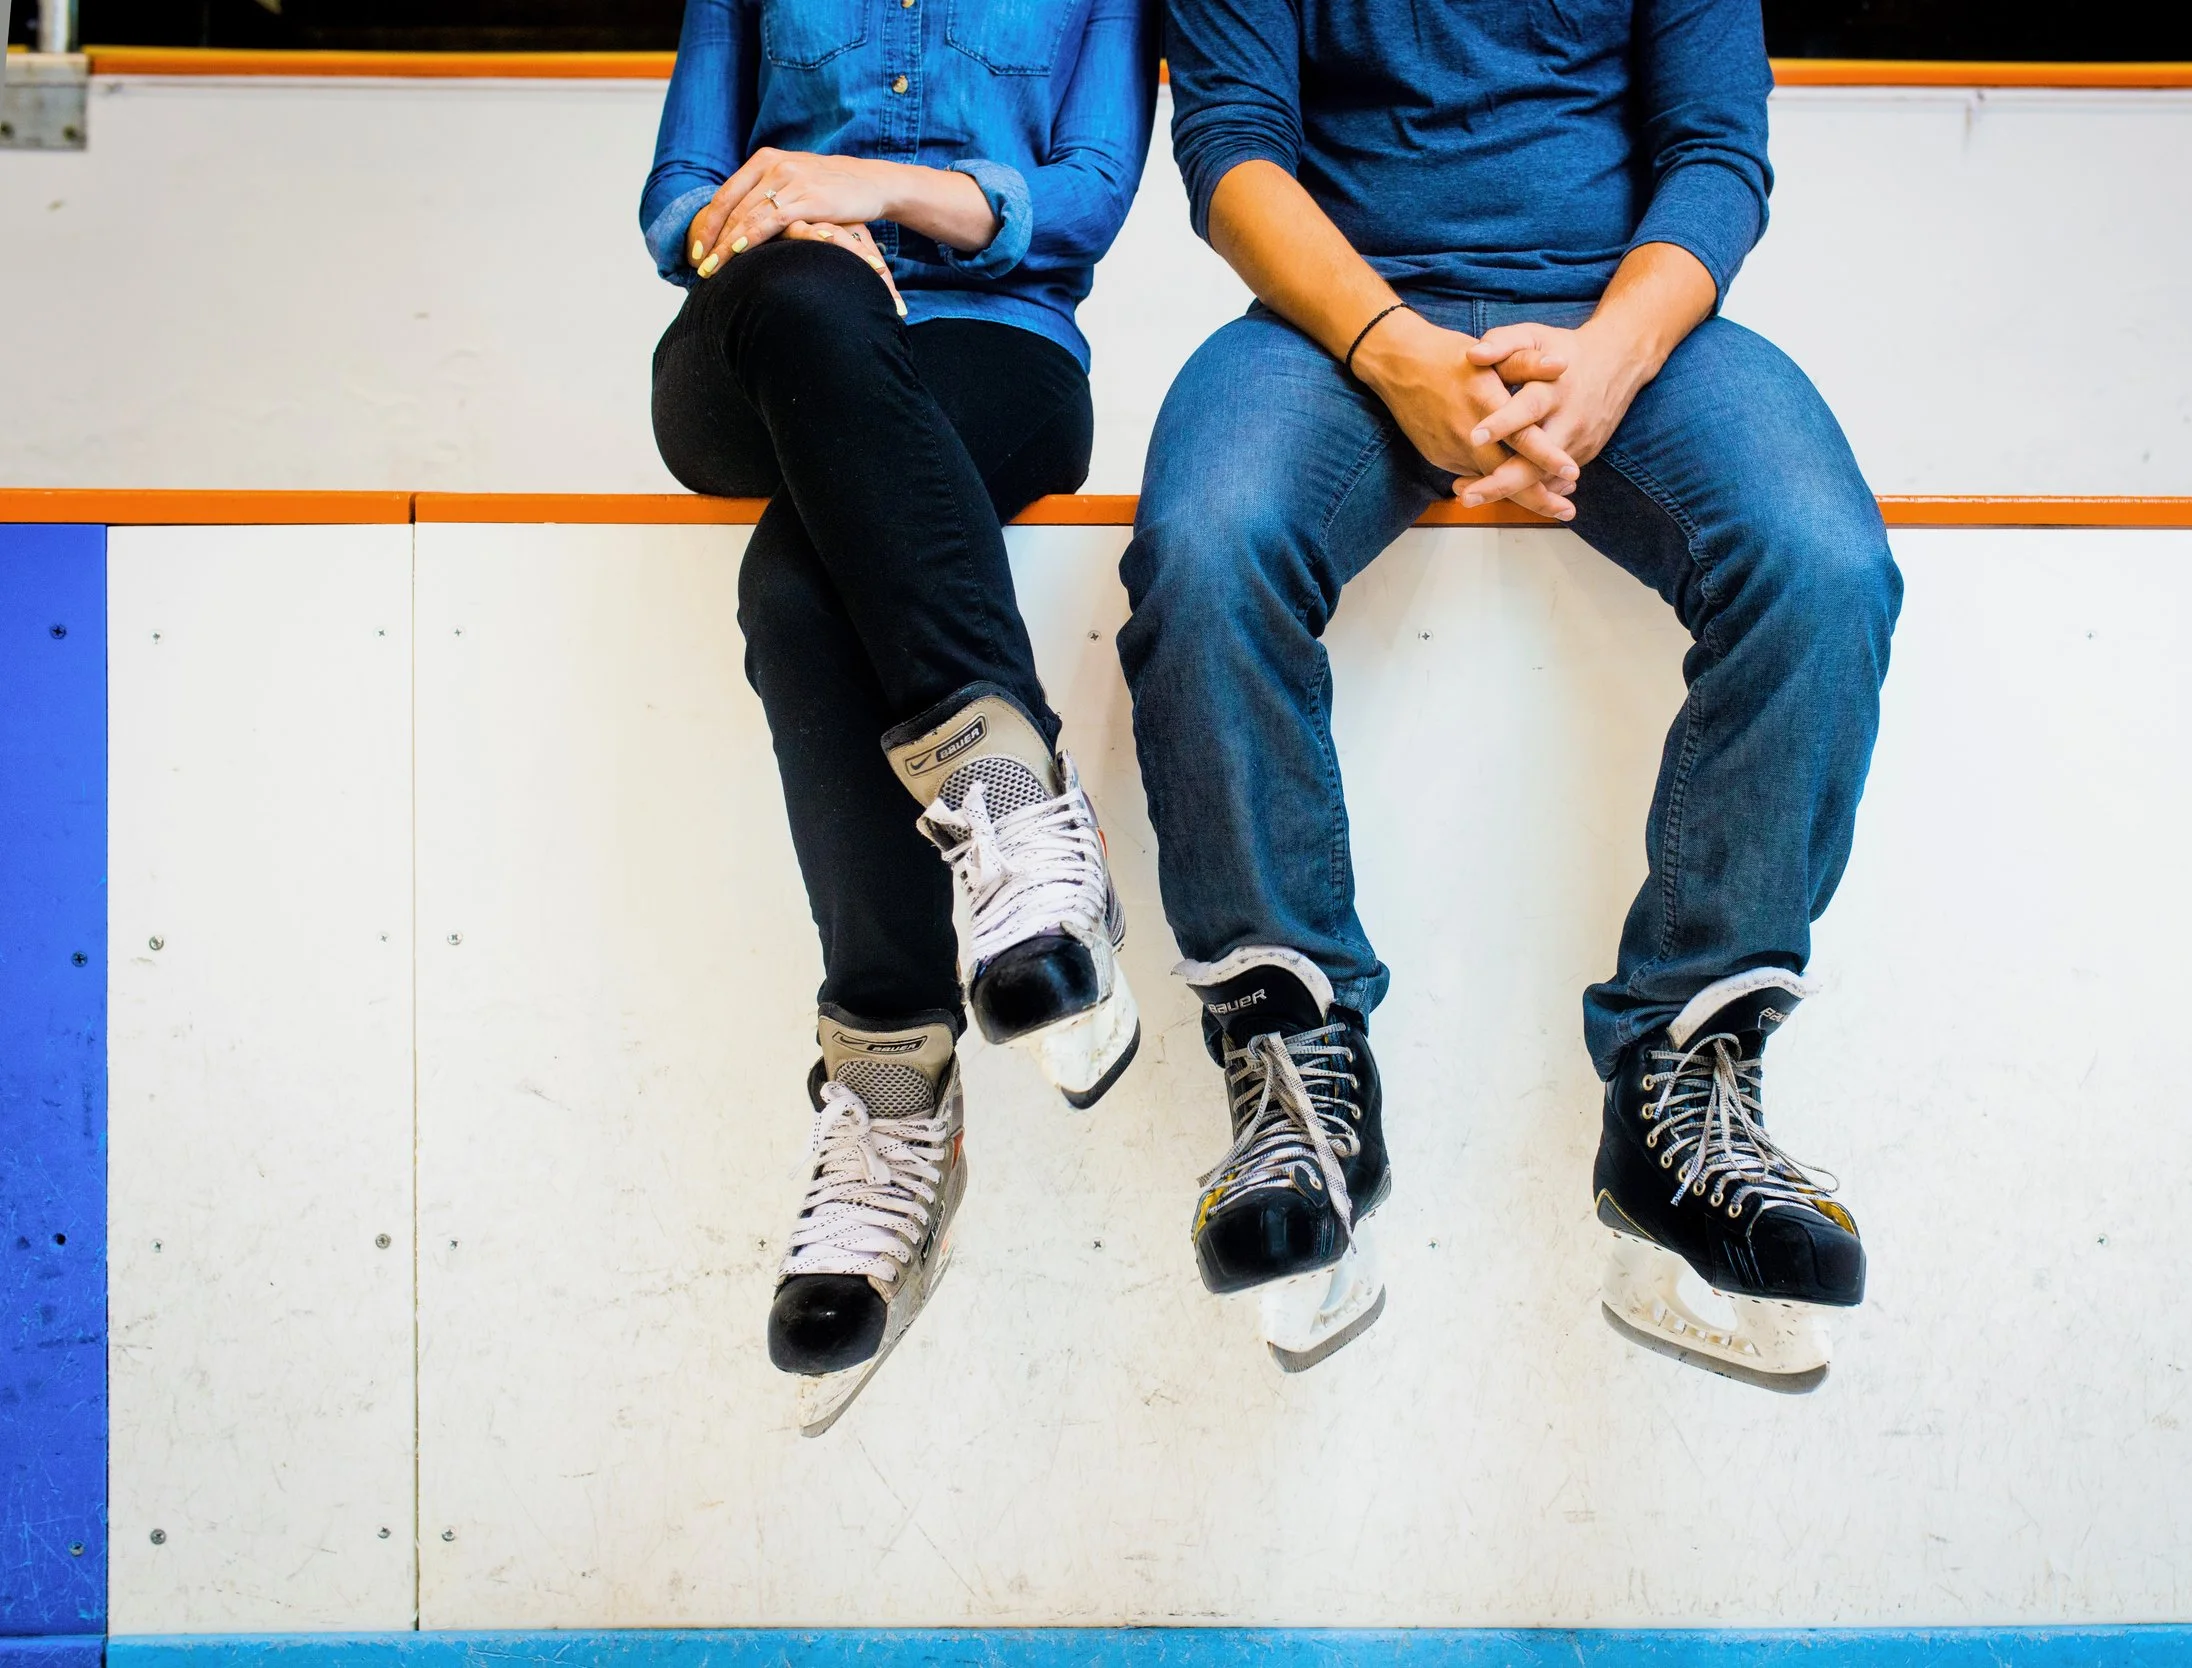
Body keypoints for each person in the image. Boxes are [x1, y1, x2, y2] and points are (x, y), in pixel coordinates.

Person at [1121, 0, 1903, 1383]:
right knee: (1206, 547)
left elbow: (1717, 153)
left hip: (1627, 332)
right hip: (1332, 340)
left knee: (1822, 563)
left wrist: (1610, 356)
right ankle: (1292, 1064)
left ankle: (1685, 1083)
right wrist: (1390, 347)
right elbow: (1233, 152)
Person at [639, 0, 1157, 1429]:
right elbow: (675, 194)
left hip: (996, 350)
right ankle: (1017, 806)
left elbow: (1091, 196)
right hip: (764, 340)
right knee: (811, 298)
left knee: (802, 601)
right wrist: (778, 224)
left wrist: (864, 186)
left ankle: (892, 1091)